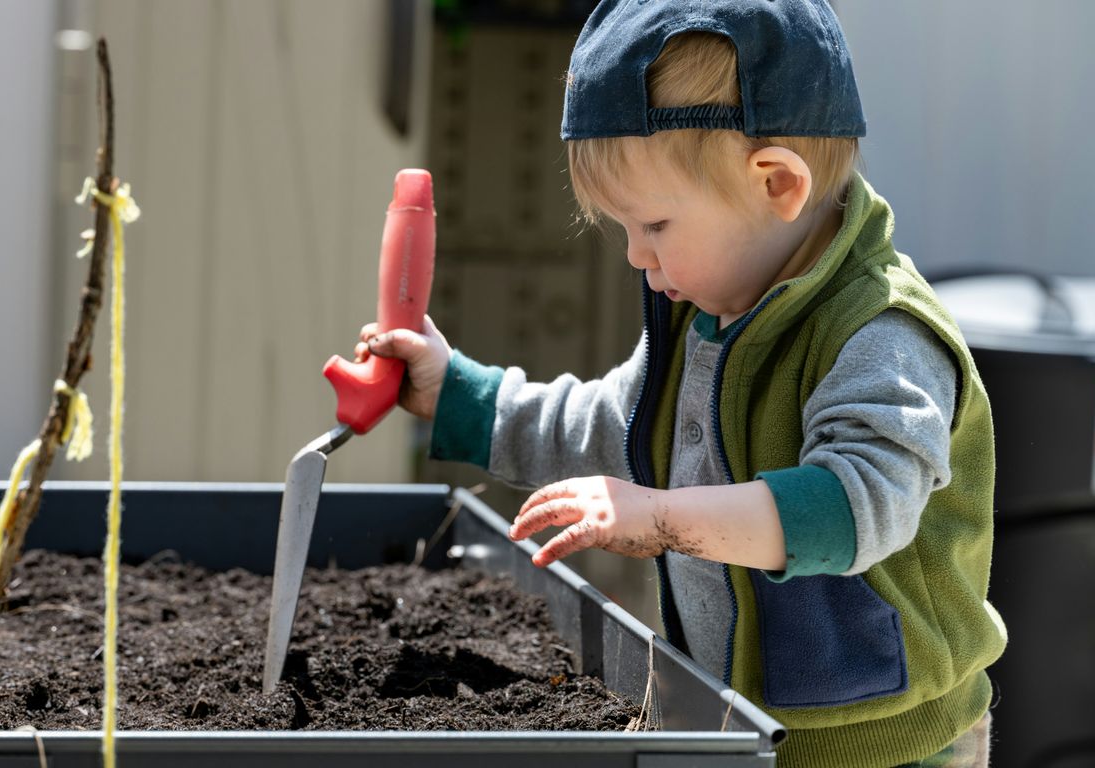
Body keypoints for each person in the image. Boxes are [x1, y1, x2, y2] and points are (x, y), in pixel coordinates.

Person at [355, 1, 1004, 765]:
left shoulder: (882, 333)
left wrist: (662, 517)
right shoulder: (712, 315)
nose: (635, 256)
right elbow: (614, 431)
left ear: (776, 185)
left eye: (655, 226)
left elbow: (853, 507)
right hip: (734, 724)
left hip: (885, 746)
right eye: (623, 230)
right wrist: (457, 393)